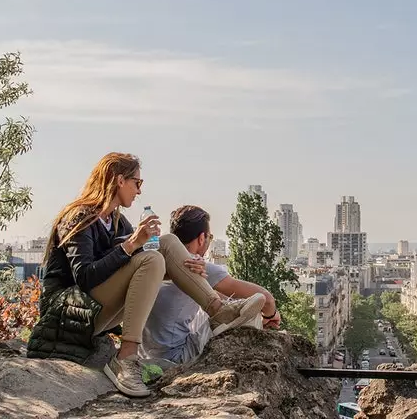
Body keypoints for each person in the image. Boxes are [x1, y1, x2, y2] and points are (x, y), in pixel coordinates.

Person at [31, 152, 265, 398]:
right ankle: (126, 357)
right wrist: (130, 245)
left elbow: (145, 272)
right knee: (152, 255)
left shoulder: (118, 223)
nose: (139, 191)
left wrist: (187, 272)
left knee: (166, 243)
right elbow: (86, 277)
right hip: (67, 314)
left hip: (94, 310)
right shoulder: (79, 217)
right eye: (137, 183)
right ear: (119, 180)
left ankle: (218, 311)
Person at [141, 205, 282, 365]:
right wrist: (271, 316)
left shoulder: (157, 261)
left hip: (145, 355)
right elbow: (266, 299)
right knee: (245, 313)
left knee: (220, 303)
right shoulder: (194, 265)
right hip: (175, 357)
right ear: (202, 238)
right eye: (210, 237)